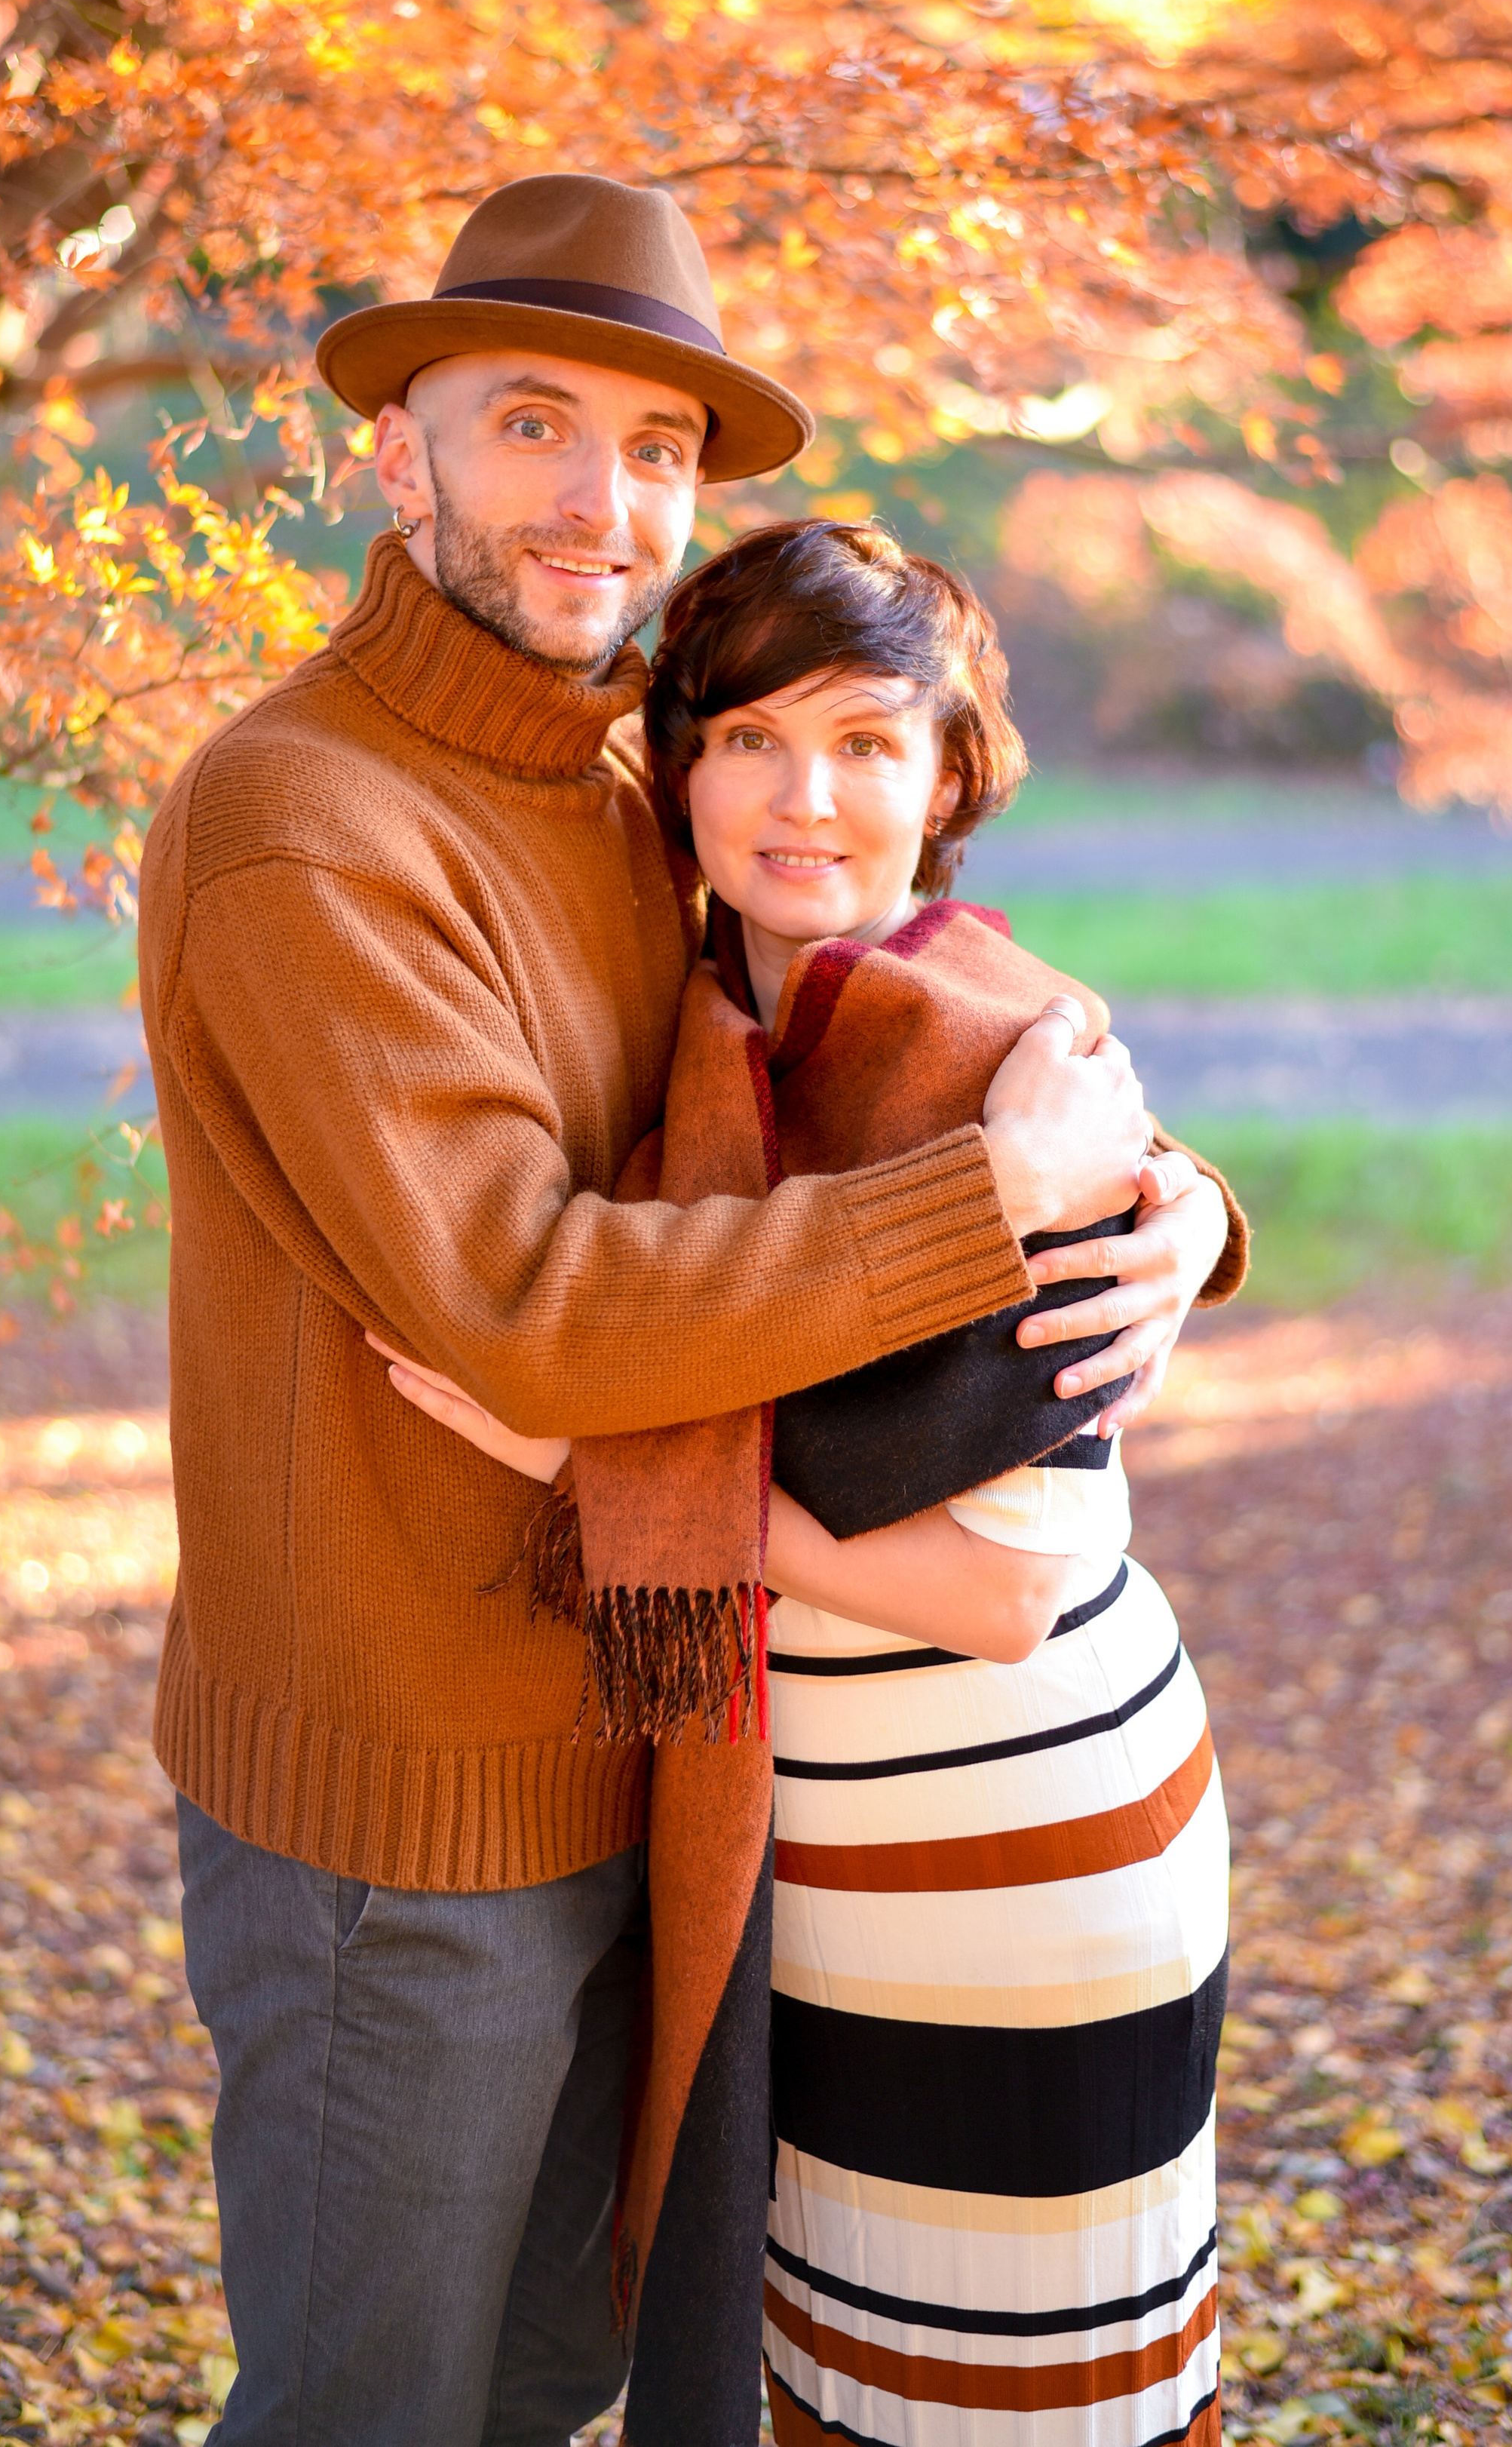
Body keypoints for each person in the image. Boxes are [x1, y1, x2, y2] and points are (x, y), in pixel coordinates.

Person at [137, 171, 1240, 2447]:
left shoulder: (629, 791)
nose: (598, 498)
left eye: (653, 451)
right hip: (406, 1809)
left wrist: (1170, 1206)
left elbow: (910, 1009)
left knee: (552, 2379)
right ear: (398, 456)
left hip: (663, 1752)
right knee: (379, 2408)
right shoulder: (302, 820)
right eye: (531, 425)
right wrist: (987, 1203)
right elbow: (528, 1307)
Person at [387, 520, 1238, 2447]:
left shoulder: (1004, 1049)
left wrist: (586, 1463)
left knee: (1011, 2397)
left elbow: (1005, 1589)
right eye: (749, 737)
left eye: (867, 743)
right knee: (841, 2386)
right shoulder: (712, 1026)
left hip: (1020, 1848)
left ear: (948, 781)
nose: (803, 798)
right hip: (816, 1846)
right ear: (675, 761)